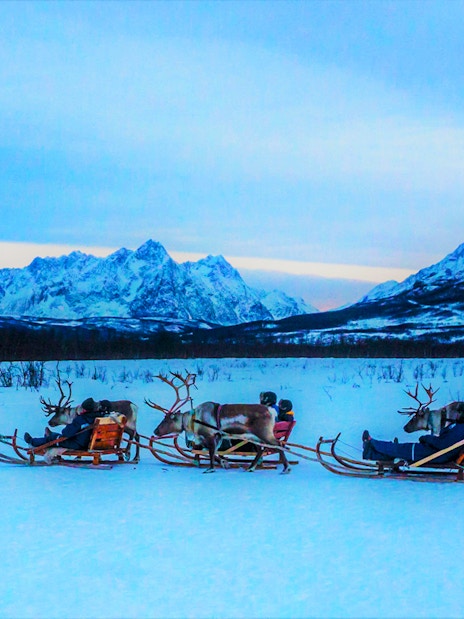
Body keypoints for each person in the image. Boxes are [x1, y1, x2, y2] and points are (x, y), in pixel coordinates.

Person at [362, 422, 464, 464]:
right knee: (401, 451)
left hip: (433, 454)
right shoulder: (460, 427)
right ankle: (370, 452)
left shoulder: (461, 429)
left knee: (400, 449)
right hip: (433, 451)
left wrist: (426, 438)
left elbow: (443, 444)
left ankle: (372, 443)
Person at [24, 398, 100, 450]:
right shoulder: (98, 418)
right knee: (55, 437)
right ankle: (50, 435)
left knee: (53, 439)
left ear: (85, 410)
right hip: (88, 443)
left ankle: (32, 442)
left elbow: (66, 433)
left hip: (78, 445)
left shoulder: (81, 419)